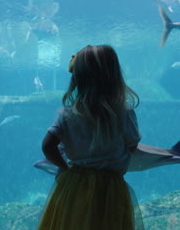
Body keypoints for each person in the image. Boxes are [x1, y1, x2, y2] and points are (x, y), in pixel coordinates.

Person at [38, 45, 144, 230]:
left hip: (73, 186)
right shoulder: (125, 114)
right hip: (110, 190)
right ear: (114, 77)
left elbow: (47, 146)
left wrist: (64, 167)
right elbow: (132, 146)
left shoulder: (67, 115)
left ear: (77, 79)